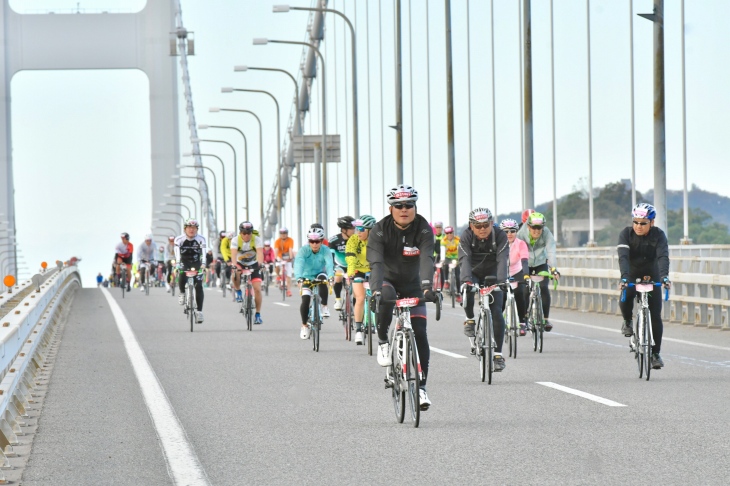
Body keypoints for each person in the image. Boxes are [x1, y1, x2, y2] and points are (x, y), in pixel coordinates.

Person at [367, 184, 438, 410]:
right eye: (399, 206)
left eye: (409, 205)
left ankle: (422, 388)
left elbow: (427, 258)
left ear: (415, 207)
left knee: (419, 333)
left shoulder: (424, 228)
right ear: (391, 209)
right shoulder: (379, 230)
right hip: (387, 279)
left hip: (414, 283)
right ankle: (383, 341)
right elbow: (376, 264)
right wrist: (376, 290)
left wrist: (427, 288)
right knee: (385, 296)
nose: (404, 209)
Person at [617, 203, 671, 369]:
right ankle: (627, 321)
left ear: (652, 222)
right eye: (636, 222)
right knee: (626, 293)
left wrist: (664, 277)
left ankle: (655, 354)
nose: (638, 226)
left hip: (652, 275)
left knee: (655, 315)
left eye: (643, 223)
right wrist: (624, 278)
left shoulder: (659, 235)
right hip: (632, 274)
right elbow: (623, 257)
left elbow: (663, 256)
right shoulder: (626, 234)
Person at [458, 207, 510, 372]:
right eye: (478, 226)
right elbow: (464, 259)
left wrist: (502, 281)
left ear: (492, 223)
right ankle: (470, 319)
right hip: (472, 272)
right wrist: (467, 281)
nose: (482, 229)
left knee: (496, 312)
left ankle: (498, 355)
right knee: (466, 290)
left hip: (493, 273)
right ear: (471, 226)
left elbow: (502, 259)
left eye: (486, 225)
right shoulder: (466, 236)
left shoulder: (500, 235)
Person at [516, 211, 560, 332]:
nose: (537, 230)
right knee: (524, 289)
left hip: (540, 263)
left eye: (539, 228)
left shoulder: (546, 233)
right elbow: (516, 251)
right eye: (534, 228)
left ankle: (545, 319)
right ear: (528, 226)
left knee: (544, 287)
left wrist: (554, 269)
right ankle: (524, 319)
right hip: (525, 263)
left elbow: (551, 251)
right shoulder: (521, 234)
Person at [294, 227, 334, 338]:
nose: (314, 244)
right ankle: (304, 325)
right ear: (309, 242)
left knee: (323, 279)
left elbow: (329, 264)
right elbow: (299, 264)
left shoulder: (325, 250)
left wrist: (331, 277)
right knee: (305, 299)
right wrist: (299, 278)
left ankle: (324, 306)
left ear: (321, 241)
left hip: (319, 273)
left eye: (317, 242)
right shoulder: (303, 250)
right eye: (312, 241)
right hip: (306, 276)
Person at [346, 215, 375, 345]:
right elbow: (350, 257)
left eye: (362, 229)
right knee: (360, 298)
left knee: (379, 294)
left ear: (370, 229)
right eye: (357, 228)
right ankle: (358, 329)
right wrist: (351, 272)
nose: (358, 232)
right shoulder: (353, 239)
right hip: (358, 269)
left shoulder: (377, 239)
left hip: (373, 269)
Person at [230, 222, 265, 325]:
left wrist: (261, 264)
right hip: (240, 262)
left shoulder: (257, 239)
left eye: (248, 233)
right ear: (240, 232)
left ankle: (258, 315)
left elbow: (259, 253)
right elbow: (233, 254)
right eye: (244, 233)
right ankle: (238, 291)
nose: (246, 235)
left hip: (253, 263)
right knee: (235, 273)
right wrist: (234, 265)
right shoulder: (235, 240)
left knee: (257, 289)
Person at [500, 218, 530, 335]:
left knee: (520, 293)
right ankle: (497, 321)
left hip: (517, 271)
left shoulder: (521, 244)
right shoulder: (499, 244)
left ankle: (522, 322)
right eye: (506, 232)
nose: (509, 234)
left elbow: (524, 261)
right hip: (502, 271)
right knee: (500, 297)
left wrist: (526, 275)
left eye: (512, 231)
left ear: (516, 232)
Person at [174, 219, 207, 323]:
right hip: (184, 261)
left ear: (197, 229)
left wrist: (203, 264)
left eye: (194, 228)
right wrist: (178, 263)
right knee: (182, 273)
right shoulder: (179, 239)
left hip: (196, 262)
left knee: (199, 285)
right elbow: (177, 253)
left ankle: (199, 312)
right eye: (189, 227)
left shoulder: (201, 239)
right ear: (185, 229)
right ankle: (182, 292)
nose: (191, 230)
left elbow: (204, 252)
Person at [328, 216, 356, 311]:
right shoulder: (334, 240)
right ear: (344, 230)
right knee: (338, 277)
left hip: (353, 265)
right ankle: (338, 299)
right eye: (352, 228)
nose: (354, 230)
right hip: (339, 264)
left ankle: (356, 305)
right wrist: (331, 269)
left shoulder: (357, 239)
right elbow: (330, 256)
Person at [274, 227, 295, 297]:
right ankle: (278, 276)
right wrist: (275, 258)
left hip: (287, 257)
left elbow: (290, 249)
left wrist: (291, 257)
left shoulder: (290, 240)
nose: (283, 235)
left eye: (285, 233)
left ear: (287, 234)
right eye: (282, 233)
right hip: (280, 257)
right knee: (277, 265)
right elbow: (276, 250)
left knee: (289, 275)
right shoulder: (277, 241)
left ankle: (289, 290)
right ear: (280, 234)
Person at [441, 226, 460, 297]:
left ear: (453, 233)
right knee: (445, 265)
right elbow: (442, 251)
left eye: (450, 233)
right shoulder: (444, 240)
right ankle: (446, 280)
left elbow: (459, 250)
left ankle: (458, 292)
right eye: (447, 233)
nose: (449, 234)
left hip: (456, 258)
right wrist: (442, 260)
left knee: (458, 276)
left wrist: (460, 259)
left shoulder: (457, 239)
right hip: (447, 257)